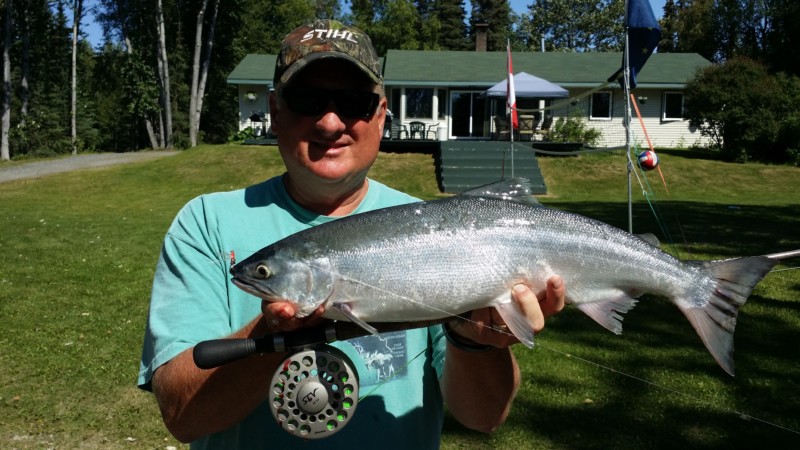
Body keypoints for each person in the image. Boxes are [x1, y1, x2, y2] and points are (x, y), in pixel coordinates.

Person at [138, 19, 565, 449]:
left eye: (354, 103)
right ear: (274, 110)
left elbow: (484, 418)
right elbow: (181, 415)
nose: (329, 122)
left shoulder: (433, 229)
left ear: (380, 115)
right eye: (306, 99)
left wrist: (477, 344)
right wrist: (270, 337)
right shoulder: (206, 223)